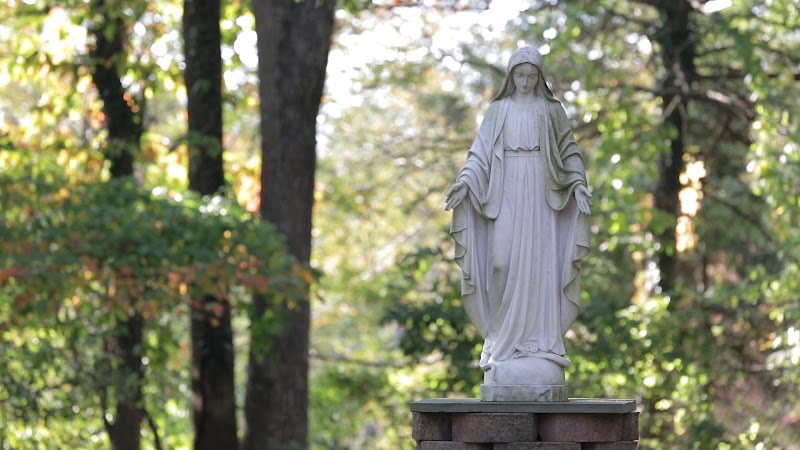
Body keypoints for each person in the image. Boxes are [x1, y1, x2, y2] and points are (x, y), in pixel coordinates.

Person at [445, 47, 592, 389]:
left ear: (540, 77)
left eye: (532, 76)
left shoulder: (551, 111)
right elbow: (479, 154)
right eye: (520, 75)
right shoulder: (498, 111)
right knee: (501, 261)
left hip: (541, 190)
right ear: (510, 76)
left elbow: (569, 151)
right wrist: (464, 182)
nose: (525, 82)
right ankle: (500, 339)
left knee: (540, 268)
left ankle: (538, 345)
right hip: (506, 186)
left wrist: (579, 185)